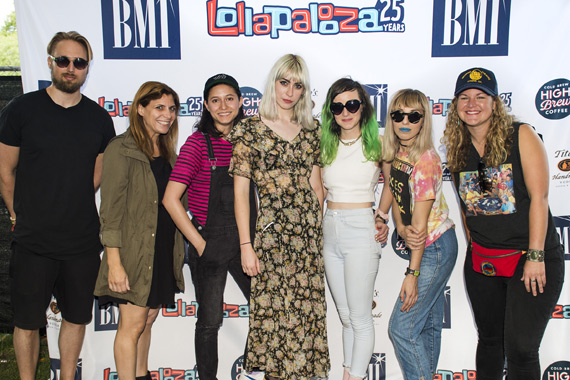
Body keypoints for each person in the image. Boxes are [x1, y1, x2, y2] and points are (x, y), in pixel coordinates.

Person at [0, 31, 115, 380]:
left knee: (76, 317)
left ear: (86, 69)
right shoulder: (22, 109)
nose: (70, 68)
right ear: (51, 62)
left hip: (80, 241)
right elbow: (5, 170)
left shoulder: (98, 118)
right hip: (33, 240)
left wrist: (71, 196)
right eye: (63, 60)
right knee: (27, 322)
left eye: (79, 62)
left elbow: (97, 172)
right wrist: (17, 213)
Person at [442, 67, 564, 379]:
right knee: (490, 342)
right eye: (464, 97)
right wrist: (477, 251)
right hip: (485, 263)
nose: (472, 103)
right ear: (456, 105)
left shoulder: (520, 135)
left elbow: (540, 198)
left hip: (530, 259)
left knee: (522, 348)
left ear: (495, 103)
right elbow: (467, 208)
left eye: (481, 96)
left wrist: (536, 256)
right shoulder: (457, 147)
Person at [228, 54, 330, 380]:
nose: (289, 91)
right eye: (283, 82)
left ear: (304, 91)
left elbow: (317, 188)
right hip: (271, 238)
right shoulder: (249, 130)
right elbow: (241, 193)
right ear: (273, 82)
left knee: (303, 328)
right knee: (275, 330)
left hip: (307, 241)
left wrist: (315, 238)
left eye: (297, 85)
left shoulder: (311, 131)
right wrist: (246, 244)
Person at [163, 73, 258, 380]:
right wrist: (200, 243)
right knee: (209, 321)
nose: (223, 106)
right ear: (206, 105)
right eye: (215, 100)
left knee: (266, 309)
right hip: (210, 241)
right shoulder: (197, 144)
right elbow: (170, 199)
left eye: (229, 98)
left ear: (241, 102)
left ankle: (250, 372)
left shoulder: (250, 141)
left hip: (247, 240)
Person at [94, 81, 185, 380]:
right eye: (159, 107)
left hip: (159, 249)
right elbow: (110, 210)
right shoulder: (121, 148)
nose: (167, 115)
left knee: (147, 319)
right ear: (140, 109)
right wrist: (115, 264)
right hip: (132, 253)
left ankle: (141, 374)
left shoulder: (165, 149)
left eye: (172, 109)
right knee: (131, 325)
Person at [319, 78, 391, 380]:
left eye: (352, 104)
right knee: (347, 317)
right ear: (330, 111)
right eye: (337, 106)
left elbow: (392, 184)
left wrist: (382, 216)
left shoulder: (379, 142)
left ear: (363, 106)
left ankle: (354, 376)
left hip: (361, 229)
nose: (345, 112)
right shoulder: (325, 142)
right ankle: (349, 371)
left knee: (361, 319)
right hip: (330, 229)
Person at [384, 89, 457, 380]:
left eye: (413, 116)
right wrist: (398, 226)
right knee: (426, 327)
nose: (405, 122)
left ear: (423, 120)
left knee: (401, 329)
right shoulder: (401, 150)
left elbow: (421, 227)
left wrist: (411, 275)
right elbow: (397, 193)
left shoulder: (425, 161)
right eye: (398, 115)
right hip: (428, 243)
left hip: (434, 248)